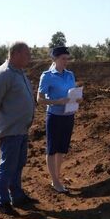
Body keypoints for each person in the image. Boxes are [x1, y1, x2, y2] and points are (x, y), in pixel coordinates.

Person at [0, 42, 38, 215]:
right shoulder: (4, 74)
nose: (29, 58)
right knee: (7, 166)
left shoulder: (19, 72)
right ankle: (3, 202)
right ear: (15, 54)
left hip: (22, 128)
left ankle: (17, 196)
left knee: (18, 164)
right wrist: (4, 118)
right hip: (11, 129)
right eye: (26, 54)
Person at [36, 46, 81, 193]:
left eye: (67, 59)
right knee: (52, 149)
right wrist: (57, 102)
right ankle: (55, 181)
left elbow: (71, 93)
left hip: (68, 116)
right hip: (54, 116)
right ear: (54, 59)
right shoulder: (47, 76)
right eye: (63, 59)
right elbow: (39, 100)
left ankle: (57, 177)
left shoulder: (70, 75)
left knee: (62, 149)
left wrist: (77, 98)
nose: (66, 61)